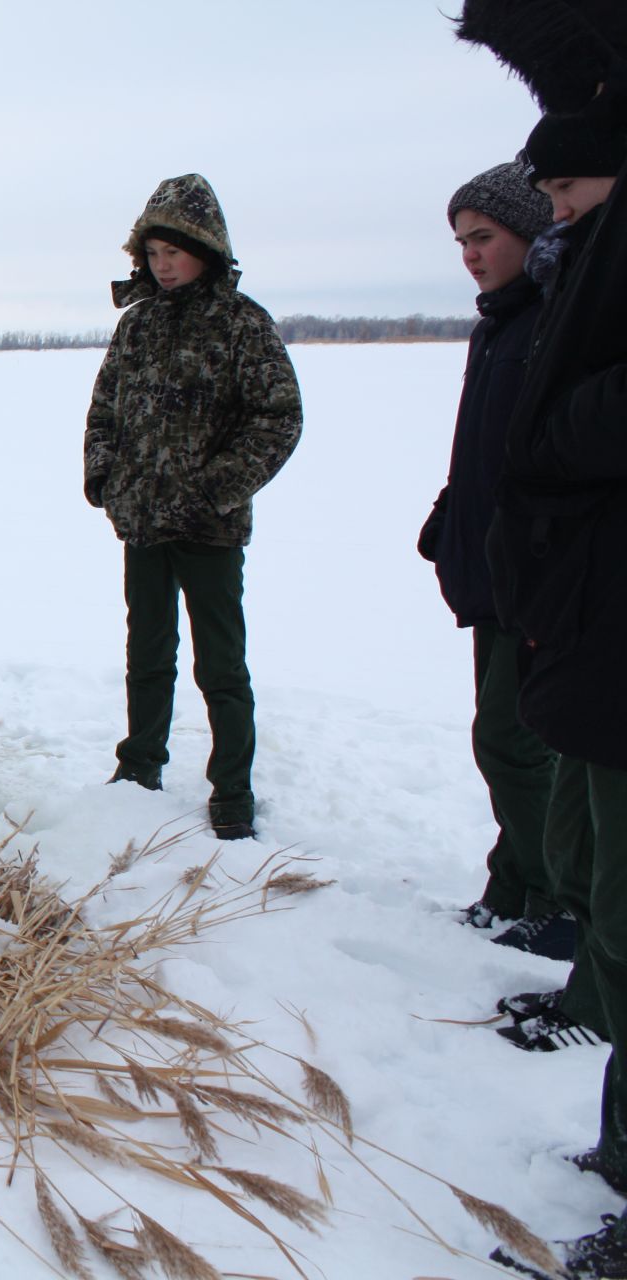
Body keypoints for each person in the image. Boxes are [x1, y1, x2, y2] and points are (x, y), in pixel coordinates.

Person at [483, 94, 627, 1273]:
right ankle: (621, 1147)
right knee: (597, 853)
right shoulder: (548, 299)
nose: (556, 212)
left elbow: (565, 430)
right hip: (579, 611)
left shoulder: (580, 300)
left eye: (571, 190)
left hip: (599, 612)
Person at [83, 174, 302, 842]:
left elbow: (278, 419)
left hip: (209, 529)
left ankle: (232, 789)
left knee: (221, 665)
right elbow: (105, 410)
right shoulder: (139, 324)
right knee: (147, 653)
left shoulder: (242, 324)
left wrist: (215, 490)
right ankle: (140, 767)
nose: (163, 263)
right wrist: (104, 478)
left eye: (175, 250)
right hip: (143, 523)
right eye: (152, 253)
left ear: (207, 249)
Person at [418, 163, 569, 956]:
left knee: (515, 741)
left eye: (485, 237)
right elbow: (482, 448)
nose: (471, 255)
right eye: (462, 242)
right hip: (489, 562)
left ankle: (557, 897)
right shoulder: (498, 325)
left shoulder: (554, 319)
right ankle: (511, 882)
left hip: (535, 572)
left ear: (531, 229)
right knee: (500, 735)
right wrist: (451, 514)